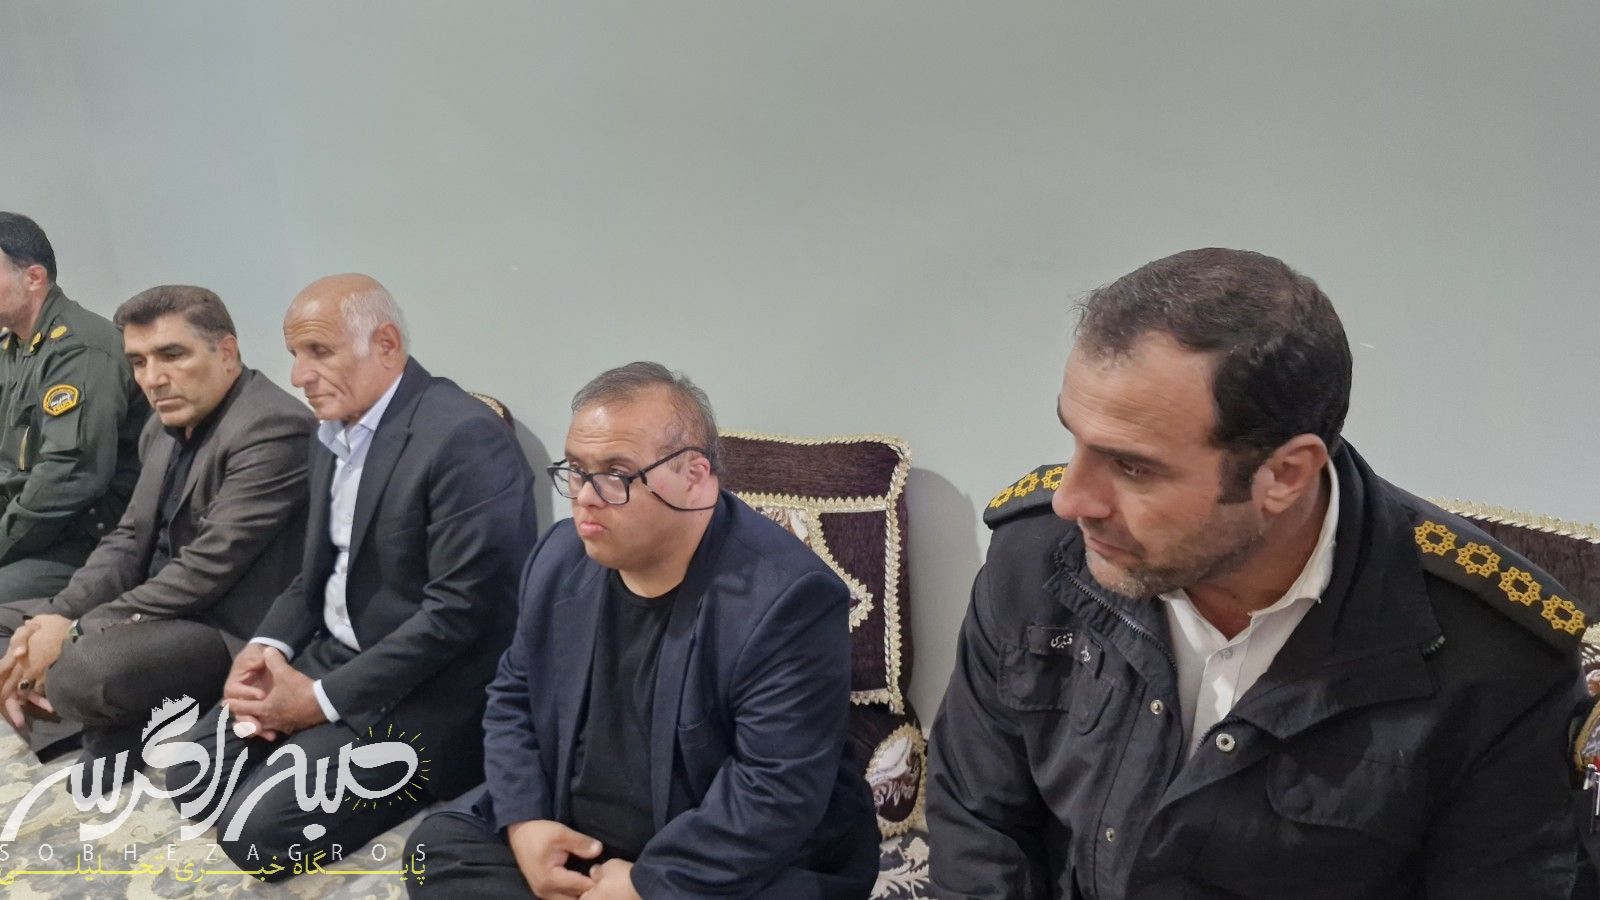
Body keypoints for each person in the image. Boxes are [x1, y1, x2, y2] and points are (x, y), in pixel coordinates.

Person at [927, 248, 1588, 899]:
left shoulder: (1496, 657)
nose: (1073, 501)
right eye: (1075, 439)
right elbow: (979, 823)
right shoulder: (1037, 555)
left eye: (1132, 467)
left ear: (1285, 475)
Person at [406, 362, 878, 900]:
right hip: (581, 835)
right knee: (434, 850)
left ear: (694, 475)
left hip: (720, 857)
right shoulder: (558, 557)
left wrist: (646, 883)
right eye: (577, 470)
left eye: (616, 474)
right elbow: (513, 694)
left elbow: (775, 789)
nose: (585, 496)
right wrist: (526, 823)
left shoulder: (787, 599)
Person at [167, 274, 537, 880]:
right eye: (294, 354)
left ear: (385, 344)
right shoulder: (331, 429)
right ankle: (307, 748)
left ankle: (412, 776)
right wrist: (266, 648)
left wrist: (317, 703)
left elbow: (457, 616)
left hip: (427, 690)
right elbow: (314, 572)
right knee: (191, 776)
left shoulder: (466, 439)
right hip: (333, 654)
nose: (299, 375)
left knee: (253, 836)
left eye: (319, 351)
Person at [0, 285, 313, 768]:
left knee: (84, 667)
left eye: (172, 355)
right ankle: (106, 720)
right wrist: (55, 617)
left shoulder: (272, 427)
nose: (153, 378)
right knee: (23, 634)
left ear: (226, 352)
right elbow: (127, 540)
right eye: (139, 362)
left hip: (224, 625)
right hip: (157, 610)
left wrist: (75, 631)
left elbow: (205, 570)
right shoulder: (163, 424)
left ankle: (117, 715)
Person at [0, 212, 147, 602]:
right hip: (32, 532)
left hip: (85, 543)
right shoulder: (12, 348)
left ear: (34, 277)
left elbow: (70, 477)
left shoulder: (79, 349)